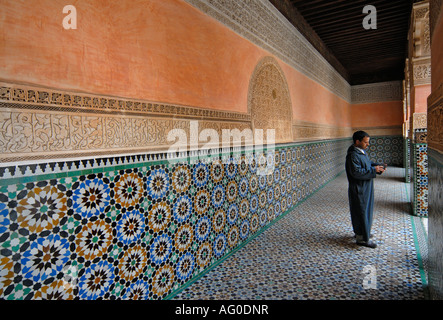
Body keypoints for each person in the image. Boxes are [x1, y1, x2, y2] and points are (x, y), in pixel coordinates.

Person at [345, 131, 386, 248]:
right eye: (366, 142)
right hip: (359, 189)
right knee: (361, 211)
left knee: (364, 210)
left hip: (365, 187)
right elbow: (356, 173)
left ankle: (362, 233)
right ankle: (362, 239)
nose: (368, 145)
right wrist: (374, 170)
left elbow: (367, 164)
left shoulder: (360, 152)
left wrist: (377, 166)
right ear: (357, 142)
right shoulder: (353, 155)